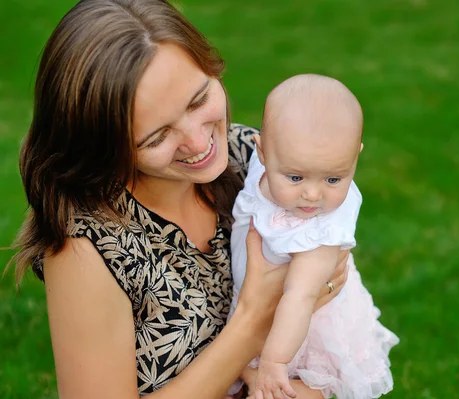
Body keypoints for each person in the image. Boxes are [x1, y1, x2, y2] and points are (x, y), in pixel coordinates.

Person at [8, 1, 350, 398]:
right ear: (106, 148)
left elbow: (332, 294)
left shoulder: (252, 159)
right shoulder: (89, 247)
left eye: (198, 100)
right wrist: (254, 320)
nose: (197, 142)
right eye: (156, 137)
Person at [227, 74, 399, 399]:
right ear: (261, 152)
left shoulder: (321, 231)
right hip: (258, 301)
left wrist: (274, 361)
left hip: (298, 328)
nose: (312, 194)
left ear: (355, 158)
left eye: (333, 179)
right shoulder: (260, 165)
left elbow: (301, 297)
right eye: (295, 177)